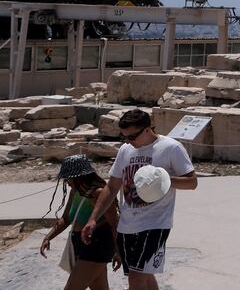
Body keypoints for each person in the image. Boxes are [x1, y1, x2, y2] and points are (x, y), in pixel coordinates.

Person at [83, 109, 197, 290]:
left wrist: (162, 179)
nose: (128, 141)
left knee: (135, 279)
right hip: (127, 225)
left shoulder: (171, 148)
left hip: (155, 224)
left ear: (147, 129)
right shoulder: (126, 150)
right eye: (125, 137)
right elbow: (112, 187)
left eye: (132, 136)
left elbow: (192, 182)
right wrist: (93, 218)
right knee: (145, 276)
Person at [40, 155, 118, 290]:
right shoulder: (75, 192)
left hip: (97, 245)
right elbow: (66, 219)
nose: (66, 181)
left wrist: (119, 251)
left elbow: (114, 224)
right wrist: (48, 237)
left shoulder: (98, 193)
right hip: (79, 244)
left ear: (78, 177)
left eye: (68, 177)